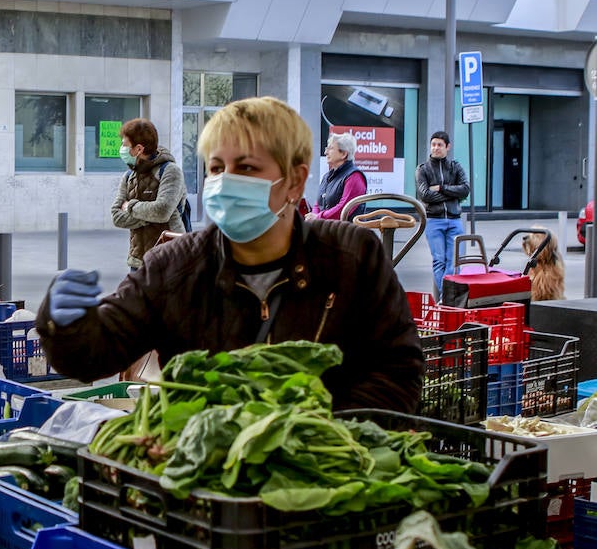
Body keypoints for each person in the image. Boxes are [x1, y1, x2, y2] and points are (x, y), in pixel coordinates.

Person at [38, 96, 422, 413]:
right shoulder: (172, 267)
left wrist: (314, 436)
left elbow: (397, 371)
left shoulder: (353, 258)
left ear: (294, 181)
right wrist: (64, 327)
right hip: (207, 477)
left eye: (247, 167)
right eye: (217, 168)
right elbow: (96, 354)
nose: (224, 181)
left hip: (324, 475)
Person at [110, 117, 187, 269]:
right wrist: (148, 214)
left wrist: (131, 206)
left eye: (125, 144)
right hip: (138, 261)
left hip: (170, 258)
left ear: (138, 149)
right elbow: (116, 216)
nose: (122, 148)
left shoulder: (170, 171)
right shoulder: (129, 176)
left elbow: (162, 211)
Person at [416, 131, 471, 297]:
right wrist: (452, 192)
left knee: (454, 262)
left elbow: (465, 189)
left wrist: (441, 188)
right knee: (439, 260)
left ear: (448, 147)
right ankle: (447, 298)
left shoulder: (455, 167)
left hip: (454, 221)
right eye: (433, 144)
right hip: (434, 221)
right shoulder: (423, 169)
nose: (435, 148)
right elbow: (425, 195)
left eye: (440, 145)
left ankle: (449, 297)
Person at [311, 133, 366, 222]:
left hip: (345, 232)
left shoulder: (354, 176)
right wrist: (313, 217)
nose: (326, 152)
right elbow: (318, 204)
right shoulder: (326, 177)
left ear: (343, 154)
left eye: (330, 148)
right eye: (326, 148)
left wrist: (318, 218)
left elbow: (344, 209)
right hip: (325, 228)